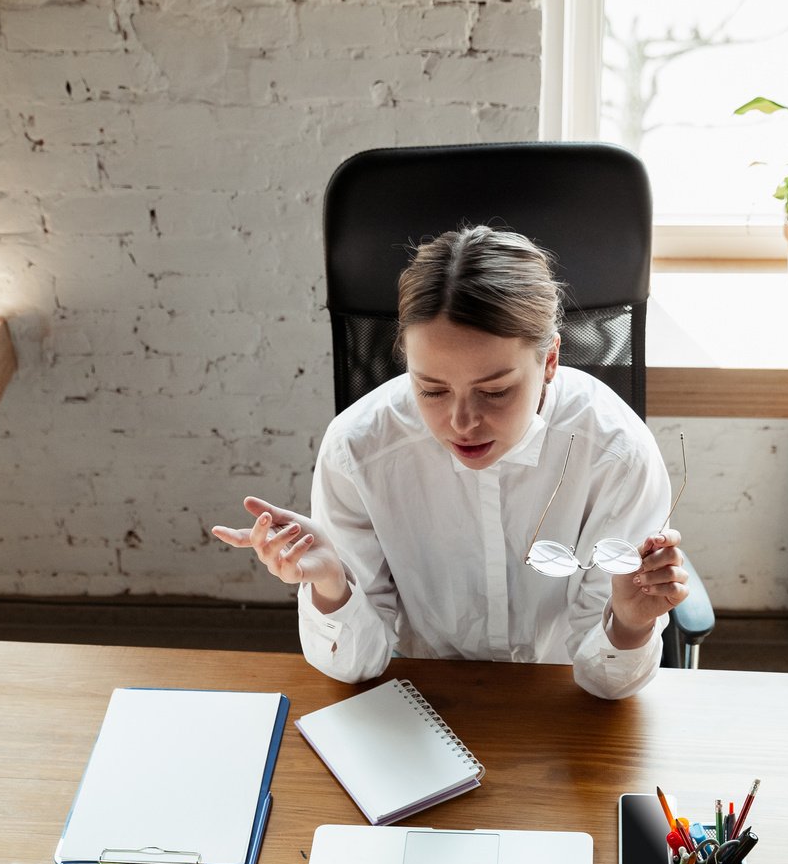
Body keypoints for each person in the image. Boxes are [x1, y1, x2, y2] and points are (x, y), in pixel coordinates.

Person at [212, 224, 688, 699]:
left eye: (495, 391)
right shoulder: (357, 450)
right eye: (432, 389)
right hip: (421, 699)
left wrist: (628, 623)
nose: (462, 422)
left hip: (557, 698)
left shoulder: (616, 455)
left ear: (549, 361)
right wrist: (333, 588)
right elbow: (358, 666)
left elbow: (603, 682)